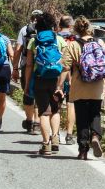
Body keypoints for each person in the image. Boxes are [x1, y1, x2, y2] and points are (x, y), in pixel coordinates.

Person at [21, 12, 69, 155]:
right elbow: (65, 64)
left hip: (39, 78)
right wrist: (62, 84)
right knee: (55, 110)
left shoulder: (33, 41)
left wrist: (28, 83)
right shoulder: (59, 40)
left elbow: (29, 65)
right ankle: (55, 138)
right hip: (56, 80)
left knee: (43, 112)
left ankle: (45, 144)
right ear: (52, 25)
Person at [64, 17, 105, 160]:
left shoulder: (72, 45)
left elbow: (65, 66)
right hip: (97, 85)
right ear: (90, 28)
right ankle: (96, 135)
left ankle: (83, 150)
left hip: (79, 86)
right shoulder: (100, 42)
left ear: (76, 29)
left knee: (82, 118)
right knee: (95, 113)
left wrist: (60, 85)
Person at [13, 10, 43, 134]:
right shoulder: (47, 30)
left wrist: (15, 68)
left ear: (31, 18)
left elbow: (18, 49)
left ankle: (29, 121)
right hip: (42, 67)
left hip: (27, 66)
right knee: (39, 95)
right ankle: (37, 123)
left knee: (27, 92)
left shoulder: (24, 30)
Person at [56, 15, 77, 146]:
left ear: (60, 25)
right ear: (71, 26)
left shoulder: (55, 37)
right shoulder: (75, 39)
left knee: (56, 103)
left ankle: (55, 133)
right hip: (72, 75)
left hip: (56, 74)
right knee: (71, 103)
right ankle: (69, 135)